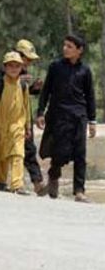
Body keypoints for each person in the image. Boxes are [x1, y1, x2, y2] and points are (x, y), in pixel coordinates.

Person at [37, 34, 97, 203]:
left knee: (80, 153)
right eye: (64, 45)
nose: (65, 49)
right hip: (58, 116)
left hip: (78, 116)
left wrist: (92, 121)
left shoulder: (85, 71)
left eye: (70, 46)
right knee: (59, 151)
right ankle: (53, 177)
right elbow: (46, 91)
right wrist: (40, 112)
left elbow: (90, 96)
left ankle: (79, 191)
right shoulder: (55, 67)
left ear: (79, 51)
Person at [0, 39, 47, 195]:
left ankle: (22, 184)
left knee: (22, 152)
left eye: (22, 64)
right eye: (26, 58)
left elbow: (25, 102)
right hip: (1, 124)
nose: (27, 63)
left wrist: (34, 88)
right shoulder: (0, 80)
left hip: (19, 123)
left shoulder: (23, 80)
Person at [0, 51, 31, 195]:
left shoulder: (23, 86)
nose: (14, 69)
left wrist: (28, 127)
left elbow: (26, 107)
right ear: (5, 67)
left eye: (17, 66)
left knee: (18, 154)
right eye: (10, 65)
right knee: (2, 155)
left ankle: (17, 184)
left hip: (17, 126)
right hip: (1, 127)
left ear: (21, 68)